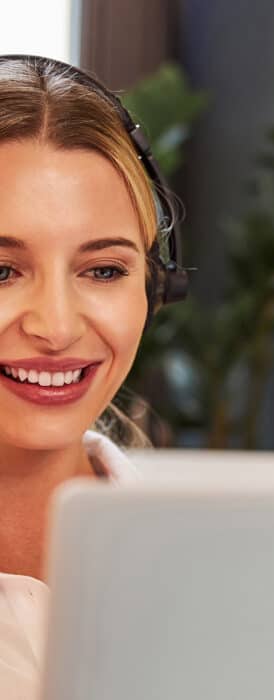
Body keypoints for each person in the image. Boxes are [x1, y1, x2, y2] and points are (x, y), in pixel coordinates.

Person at [0, 55, 187, 699]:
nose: (55, 326)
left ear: (154, 287)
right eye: (1, 272)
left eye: (103, 271)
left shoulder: (217, 558)